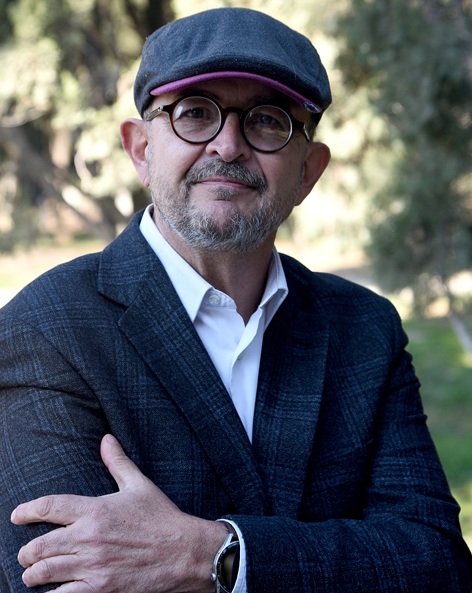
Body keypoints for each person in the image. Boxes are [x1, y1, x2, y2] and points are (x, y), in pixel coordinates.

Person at [0, 7, 471, 593]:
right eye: (195, 113)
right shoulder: (41, 331)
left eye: (268, 121)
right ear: (141, 149)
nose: (227, 146)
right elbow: (52, 582)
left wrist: (214, 556)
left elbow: (438, 564)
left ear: (308, 172)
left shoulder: (366, 331)